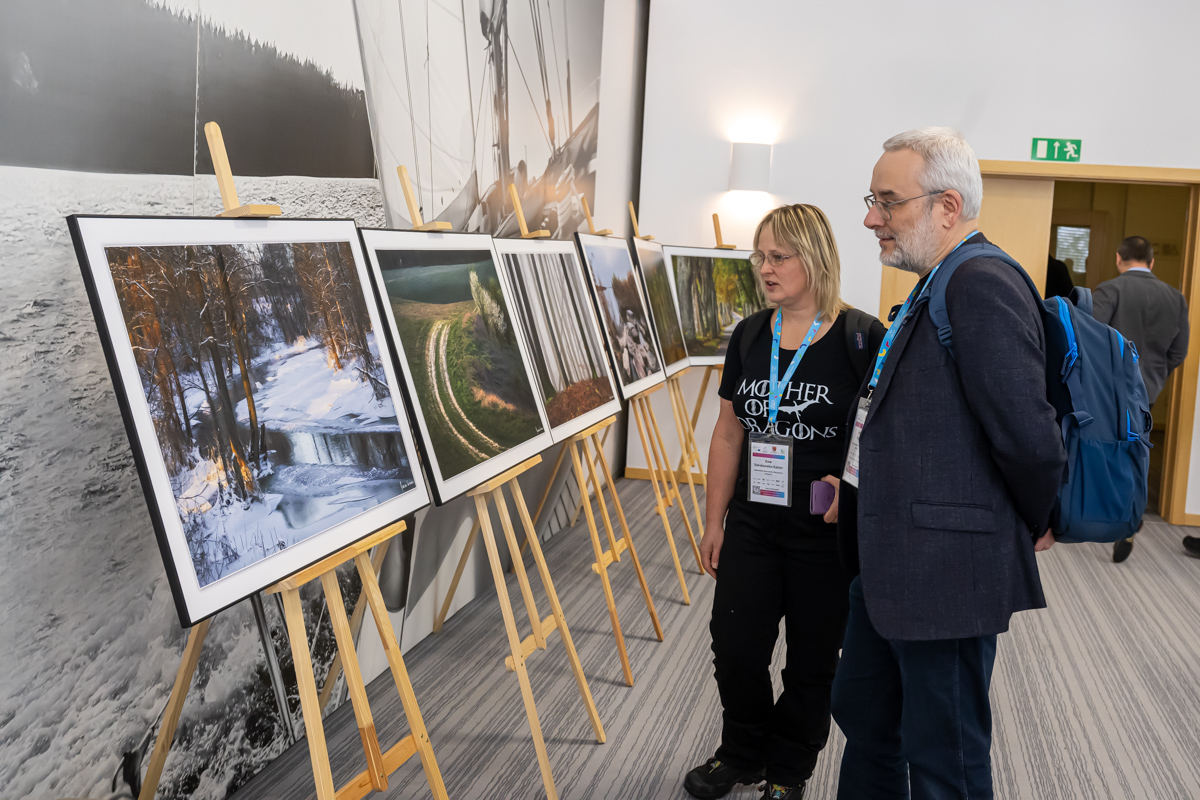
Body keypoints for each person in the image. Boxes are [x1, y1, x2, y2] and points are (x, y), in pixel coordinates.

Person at [831, 128, 1066, 800]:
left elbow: (1028, 435)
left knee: (947, 758)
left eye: (887, 201)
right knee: (870, 723)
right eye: (871, 200)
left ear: (947, 207)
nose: (872, 218)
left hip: (945, 575)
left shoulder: (981, 284)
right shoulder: (938, 281)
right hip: (891, 562)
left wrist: (1032, 516)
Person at [685, 204, 884, 800]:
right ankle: (741, 751)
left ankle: (788, 771)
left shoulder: (859, 336)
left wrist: (850, 497)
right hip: (752, 520)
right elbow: (727, 433)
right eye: (759, 256)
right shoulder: (749, 335)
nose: (764, 269)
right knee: (736, 647)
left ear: (814, 257)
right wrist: (713, 518)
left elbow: (877, 434)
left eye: (778, 257)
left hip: (823, 530)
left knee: (811, 659)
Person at [1090, 236, 1190, 562]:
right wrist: (1155, 376)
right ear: (1151, 261)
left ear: (1119, 258)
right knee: (1139, 451)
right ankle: (1131, 513)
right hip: (1149, 390)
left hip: (1110, 388)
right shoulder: (1176, 298)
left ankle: (1115, 515)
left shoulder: (1110, 290)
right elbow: (1179, 352)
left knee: (1107, 449)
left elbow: (1090, 335)